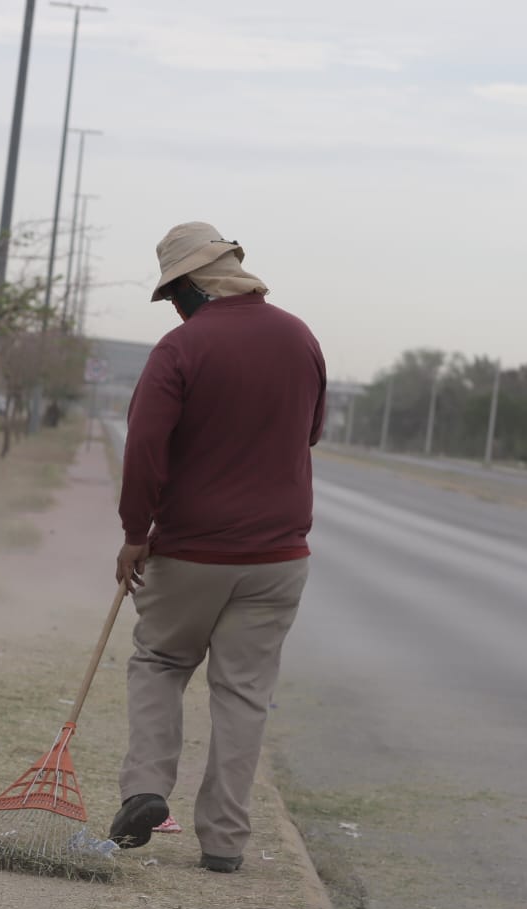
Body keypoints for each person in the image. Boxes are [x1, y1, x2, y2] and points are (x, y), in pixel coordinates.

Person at [106, 222, 326, 873]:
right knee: (243, 694)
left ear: (196, 285)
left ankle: (145, 789)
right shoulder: (301, 337)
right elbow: (309, 433)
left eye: (177, 292)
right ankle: (225, 842)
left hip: (192, 553)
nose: (175, 305)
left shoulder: (180, 348)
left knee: (159, 662)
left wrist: (133, 533)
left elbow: (144, 447)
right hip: (280, 560)